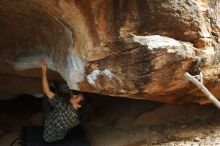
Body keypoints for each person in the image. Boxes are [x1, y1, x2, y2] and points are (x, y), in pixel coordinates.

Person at [40, 59, 84, 143]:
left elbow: (46, 90)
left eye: (77, 96)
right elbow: (71, 101)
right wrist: (70, 90)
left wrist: (43, 70)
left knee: (49, 92)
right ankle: (57, 91)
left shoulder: (62, 106)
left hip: (47, 132)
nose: (75, 95)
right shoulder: (78, 118)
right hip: (59, 136)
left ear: (79, 105)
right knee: (61, 99)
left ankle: (53, 87)